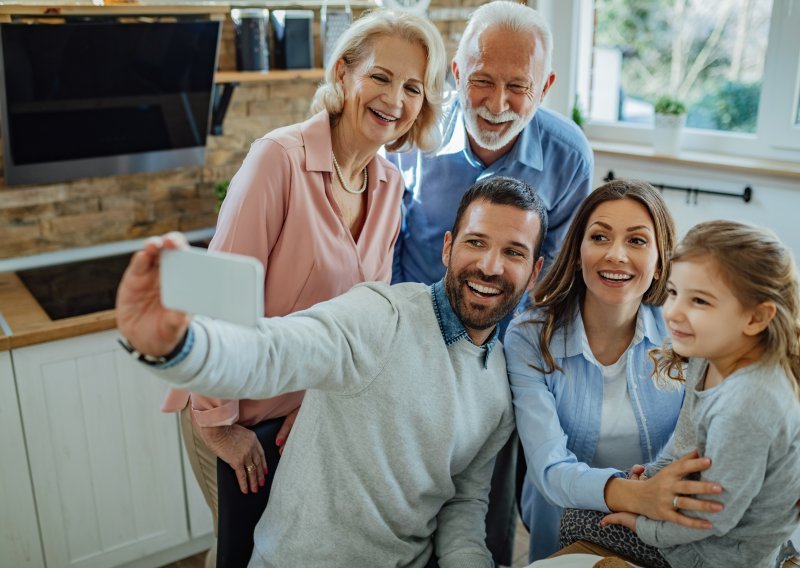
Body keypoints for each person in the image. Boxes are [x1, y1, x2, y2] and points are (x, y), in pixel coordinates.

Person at [115, 176, 547, 567]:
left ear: (534, 273)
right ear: (448, 247)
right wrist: (181, 346)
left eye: (513, 252)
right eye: (476, 243)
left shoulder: (497, 391)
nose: (490, 266)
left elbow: (463, 505)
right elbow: (272, 350)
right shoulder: (381, 316)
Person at [159, 10, 447, 566]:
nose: (395, 98)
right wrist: (221, 429)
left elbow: (365, 319)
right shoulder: (279, 159)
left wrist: (320, 405)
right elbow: (216, 295)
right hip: (230, 409)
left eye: (413, 87)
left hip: (303, 420)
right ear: (344, 74)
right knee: (242, 555)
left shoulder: (388, 184)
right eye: (381, 77)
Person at [386, 3, 593, 560]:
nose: (497, 105)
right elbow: (386, 251)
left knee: (483, 519)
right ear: (456, 73)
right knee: (404, 510)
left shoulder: (569, 156)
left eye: (517, 87)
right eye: (481, 81)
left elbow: (556, 280)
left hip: (503, 366)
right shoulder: (410, 135)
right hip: (412, 352)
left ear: (544, 87)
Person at [558, 220, 800, 568]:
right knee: (592, 497)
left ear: (756, 317)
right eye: (673, 293)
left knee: (575, 520)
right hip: (704, 521)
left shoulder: (748, 404)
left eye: (699, 300)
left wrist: (645, 526)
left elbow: (712, 519)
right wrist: (652, 478)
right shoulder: (709, 355)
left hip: (717, 555)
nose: (672, 312)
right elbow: (685, 441)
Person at [505, 180, 725, 561]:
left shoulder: (687, 335)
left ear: (660, 264)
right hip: (563, 527)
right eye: (600, 237)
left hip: (662, 522)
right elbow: (549, 468)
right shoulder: (529, 337)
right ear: (577, 252)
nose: (616, 255)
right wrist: (635, 493)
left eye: (637, 241)